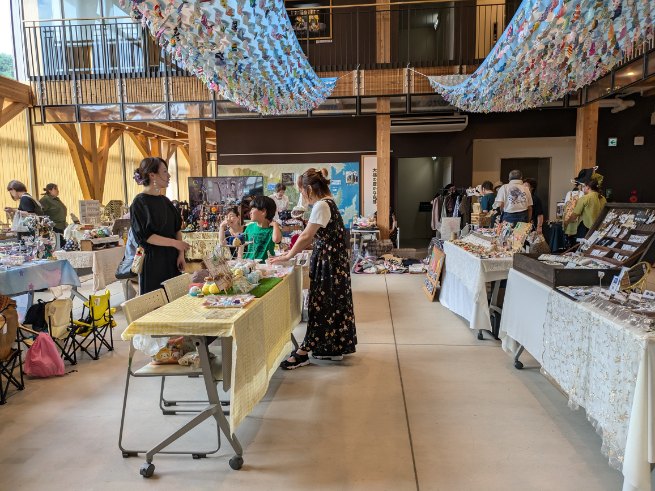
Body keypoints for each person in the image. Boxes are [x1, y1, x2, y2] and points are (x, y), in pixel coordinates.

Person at [271, 168, 357, 369]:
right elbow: (319, 235)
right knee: (332, 304)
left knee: (321, 304)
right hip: (334, 262)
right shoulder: (329, 202)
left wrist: (288, 255)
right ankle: (331, 347)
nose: (302, 196)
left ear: (309, 189)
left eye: (302, 192)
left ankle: (304, 352)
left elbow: (306, 236)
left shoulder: (321, 205)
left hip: (328, 265)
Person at [130, 157, 190, 294]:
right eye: (164, 172)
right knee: (156, 300)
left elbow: (177, 229)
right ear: (152, 175)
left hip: (172, 260)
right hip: (154, 262)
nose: (169, 176)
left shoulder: (166, 201)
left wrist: (180, 254)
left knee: (174, 299)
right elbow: (146, 236)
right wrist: (175, 244)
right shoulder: (139, 203)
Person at [243, 195, 282, 261]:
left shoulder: (273, 229)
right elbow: (241, 244)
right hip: (249, 263)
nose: (250, 212)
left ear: (263, 211)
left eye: (252, 209)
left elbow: (276, 240)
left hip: (265, 264)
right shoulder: (249, 227)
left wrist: (275, 225)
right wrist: (240, 258)